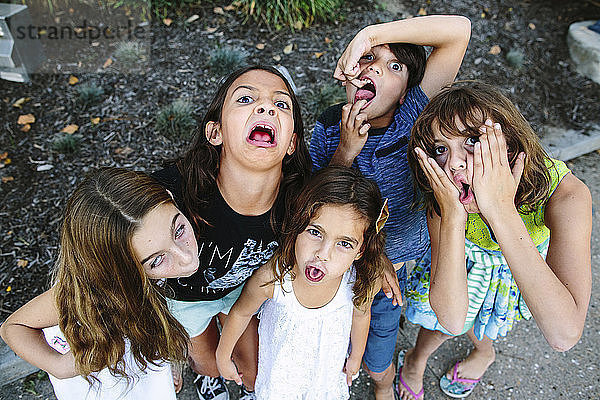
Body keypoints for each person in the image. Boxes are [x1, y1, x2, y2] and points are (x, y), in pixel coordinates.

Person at [309, 15, 471, 399]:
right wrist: (346, 152)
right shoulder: (329, 128)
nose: (374, 69)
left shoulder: (413, 114)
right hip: (358, 265)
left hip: (422, 249)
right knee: (356, 329)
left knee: (391, 335)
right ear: (349, 74)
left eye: (393, 67)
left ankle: (382, 384)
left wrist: (370, 35)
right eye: (367, 58)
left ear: (404, 92)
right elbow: (315, 204)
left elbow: (458, 32)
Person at [400, 82, 592, 399]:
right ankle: (416, 359)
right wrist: (453, 217)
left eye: (473, 140)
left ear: (510, 144)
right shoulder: (447, 195)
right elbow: (450, 317)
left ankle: (484, 352)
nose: (454, 163)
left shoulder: (566, 195)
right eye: (440, 149)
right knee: (438, 328)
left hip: (516, 265)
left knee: (487, 319)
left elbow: (564, 334)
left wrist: (499, 210)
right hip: (466, 261)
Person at [153, 65, 311, 400]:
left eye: (281, 104)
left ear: (292, 144)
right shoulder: (169, 194)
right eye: (245, 99)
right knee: (209, 364)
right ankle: (205, 375)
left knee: (253, 374)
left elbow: (344, 219)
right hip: (185, 299)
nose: (266, 107)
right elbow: (114, 240)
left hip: (244, 292)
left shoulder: (301, 198)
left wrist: (377, 257)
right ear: (216, 132)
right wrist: (157, 342)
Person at [0, 167, 199, 400]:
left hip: (147, 374)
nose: (187, 258)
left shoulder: (150, 245)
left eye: (179, 229)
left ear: (170, 197)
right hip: (105, 388)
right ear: (116, 270)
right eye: (156, 260)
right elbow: (12, 328)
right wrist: (60, 367)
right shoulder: (86, 292)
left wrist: (165, 364)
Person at [215, 166, 390, 399]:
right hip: (280, 380)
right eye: (315, 232)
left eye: (344, 244)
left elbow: (361, 315)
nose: (323, 254)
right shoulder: (272, 279)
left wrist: (355, 357)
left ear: (360, 250)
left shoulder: (358, 282)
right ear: (298, 224)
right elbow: (240, 314)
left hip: (325, 377)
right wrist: (222, 355)